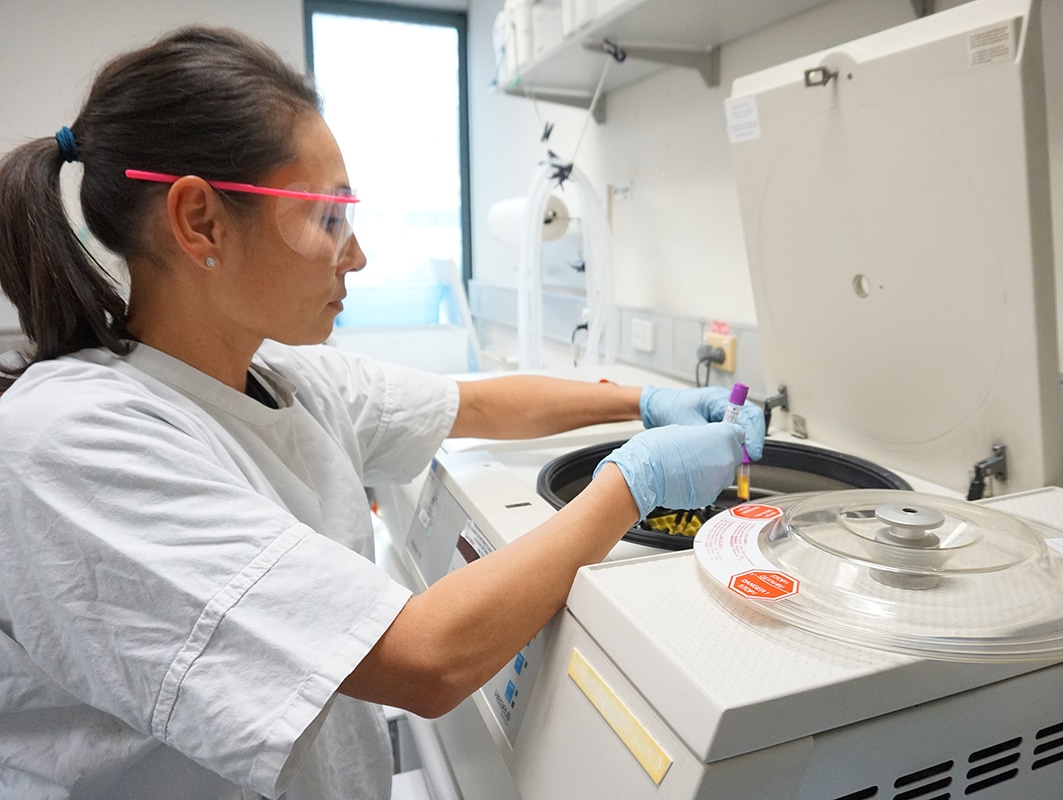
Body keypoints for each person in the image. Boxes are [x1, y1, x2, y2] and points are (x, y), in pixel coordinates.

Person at [0, 27, 765, 800]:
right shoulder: (72, 443)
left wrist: (646, 401)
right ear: (200, 221)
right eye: (328, 217)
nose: (356, 254)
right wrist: (634, 483)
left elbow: (479, 402)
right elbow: (427, 660)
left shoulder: (276, 373)